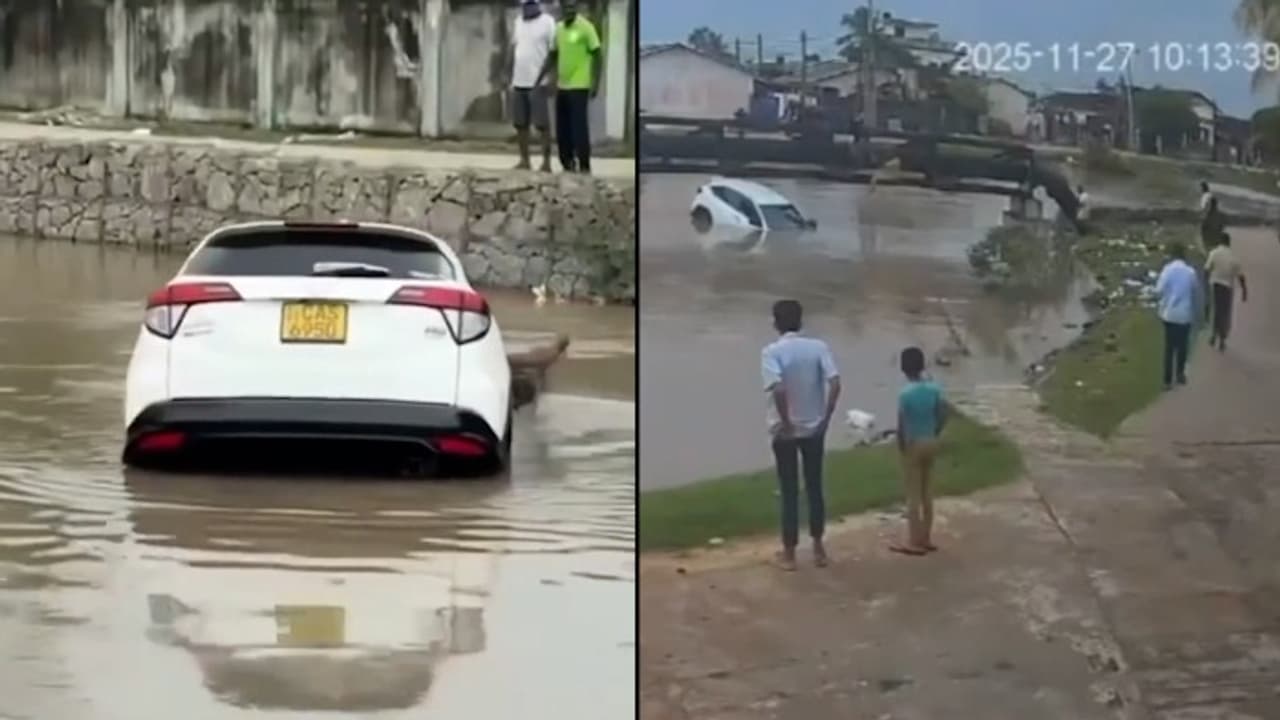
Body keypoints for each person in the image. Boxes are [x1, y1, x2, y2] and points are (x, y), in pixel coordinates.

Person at [761, 299, 841, 571]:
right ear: (801, 321)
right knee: (815, 486)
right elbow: (835, 382)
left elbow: (779, 389)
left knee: (789, 489)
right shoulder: (819, 347)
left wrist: (786, 421)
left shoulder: (771, 352)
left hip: (785, 431)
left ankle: (790, 553)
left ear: (776, 323)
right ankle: (818, 549)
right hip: (814, 426)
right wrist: (826, 417)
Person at [892, 347, 947, 557]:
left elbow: (901, 424)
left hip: (913, 443)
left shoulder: (905, 394)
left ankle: (914, 541)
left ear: (903, 368)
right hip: (931, 440)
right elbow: (943, 413)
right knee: (927, 491)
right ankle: (926, 537)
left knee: (912, 493)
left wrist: (901, 445)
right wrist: (935, 430)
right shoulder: (934, 389)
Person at [546, 0, 601, 173]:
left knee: (579, 127)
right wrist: (546, 78)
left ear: (576, 8)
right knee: (562, 128)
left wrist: (595, 82)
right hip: (562, 85)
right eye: (566, 7)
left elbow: (598, 54)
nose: (569, 10)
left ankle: (584, 164)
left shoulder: (586, 27)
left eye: (572, 7)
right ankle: (567, 163)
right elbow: (553, 56)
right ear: (561, 9)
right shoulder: (559, 29)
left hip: (579, 85)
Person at [510, 0, 556, 171]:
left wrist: (547, 77)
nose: (527, 8)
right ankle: (524, 160)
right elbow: (515, 48)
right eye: (524, 5)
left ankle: (546, 162)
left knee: (542, 124)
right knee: (520, 124)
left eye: (530, 5)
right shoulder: (518, 22)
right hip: (519, 81)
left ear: (537, 5)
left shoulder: (547, 22)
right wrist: (508, 74)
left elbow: (553, 52)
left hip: (538, 82)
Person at [1155, 242, 1201, 389]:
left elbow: (1159, 290)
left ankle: (1167, 381)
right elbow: (1195, 290)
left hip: (1169, 313)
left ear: (1172, 255)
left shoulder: (1167, 270)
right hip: (1184, 314)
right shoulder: (1190, 272)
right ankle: (1180, 374)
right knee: (1182, 346)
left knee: (1169, 348)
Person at [1204, 232, 1248, 351]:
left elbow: (1207, 269)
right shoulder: (1233, 256)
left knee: (1215, 310)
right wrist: (1244, 291)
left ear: (1220, 241)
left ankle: (1213, 335)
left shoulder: (1214, 253)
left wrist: (1205, 284)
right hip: (1227, 287)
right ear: (1229, 243)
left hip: (1215, 285)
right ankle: (1222, 339)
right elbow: (1241, 276)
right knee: (1225, 313)